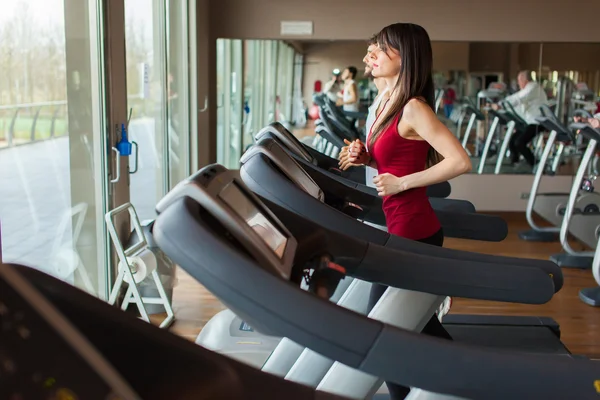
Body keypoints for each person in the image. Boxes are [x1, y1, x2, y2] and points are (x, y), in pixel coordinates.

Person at [337, 22, 471, 400]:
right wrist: (364, 156)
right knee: (413, 326)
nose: (370, 56)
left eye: (381, 48)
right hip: (399, 227)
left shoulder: (413, 108)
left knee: (386, 331)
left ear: (405, 56)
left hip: (415, 232)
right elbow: (390, 158)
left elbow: (460, 161)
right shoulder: (384, 103)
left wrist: (403, 182)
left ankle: (469, 378)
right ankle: (472, 377)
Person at [491, 70, 548, 168]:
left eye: (519, 80)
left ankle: (535, 164)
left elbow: (520, 98)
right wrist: (501, 104)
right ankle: (515, 163)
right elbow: (515, 97)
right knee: (512, 141)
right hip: (529, 122)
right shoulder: (528, 88)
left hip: (538, 122)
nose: (518, 83)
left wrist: (501, 105)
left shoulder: (533, 87)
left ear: (524, 80)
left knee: (519, 142)